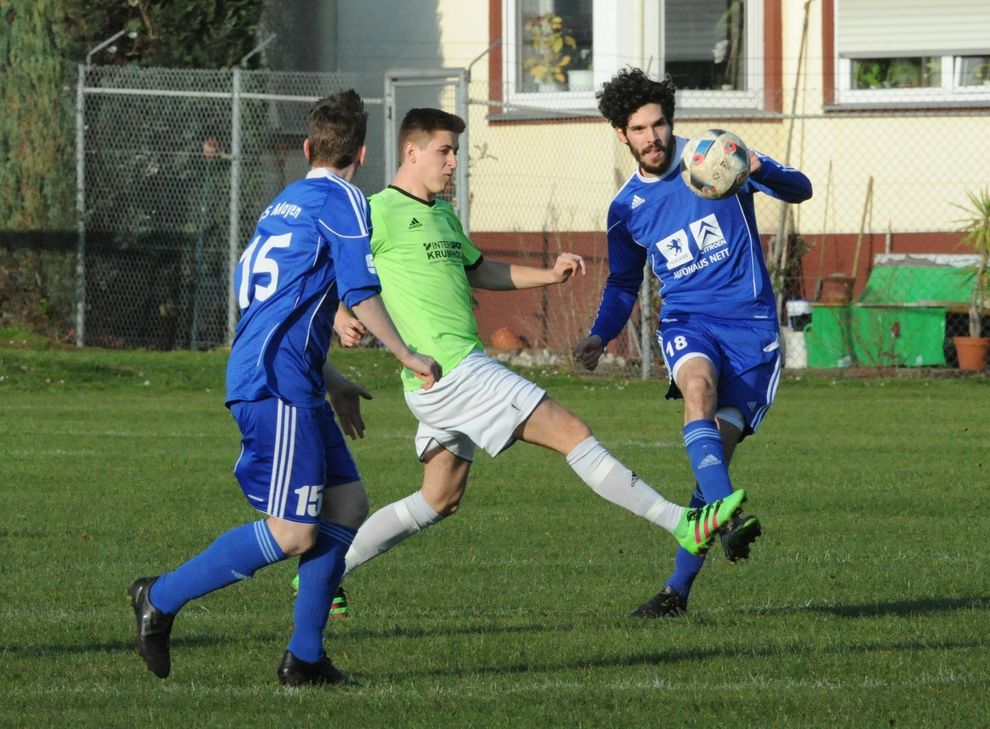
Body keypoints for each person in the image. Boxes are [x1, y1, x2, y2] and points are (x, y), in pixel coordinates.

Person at [299, 107, 753, 616]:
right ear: (411, 151)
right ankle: (682, 522)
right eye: (444, 151)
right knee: (571, 431)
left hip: (441, 377)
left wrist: (549, 275)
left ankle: (324, 572)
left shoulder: (443, 215)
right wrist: (339, 316)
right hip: (451, 372)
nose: (453, 162)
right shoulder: (373, 211)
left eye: (455, 152)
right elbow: (319, 271)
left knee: (439, 498)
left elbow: (483, 270)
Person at [128, 90, 441, 686]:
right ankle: (159, 597)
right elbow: (359, 292)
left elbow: (278, 314)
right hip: (277, 386)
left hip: (284, 376)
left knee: (347, 504)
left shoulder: (285, 203)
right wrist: (405, 352)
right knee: (295, 531)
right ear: (365, 153)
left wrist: (333, 377)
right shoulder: (346, 201)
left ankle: (305, 656)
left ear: (306, 148)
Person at [573, 68, 813, 618]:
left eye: (659, 124)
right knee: (696, 389)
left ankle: (675, 593)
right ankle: (728, 522)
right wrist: (600, 334)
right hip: (689, 324)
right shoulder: (627, 208)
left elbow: (800, 190)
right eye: (639, 129)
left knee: (712, 473)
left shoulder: (713, 159)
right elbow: (622, 282)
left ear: (670, 122)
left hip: (752, 331)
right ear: (621, 134)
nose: (652, 137)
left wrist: (758, 166)